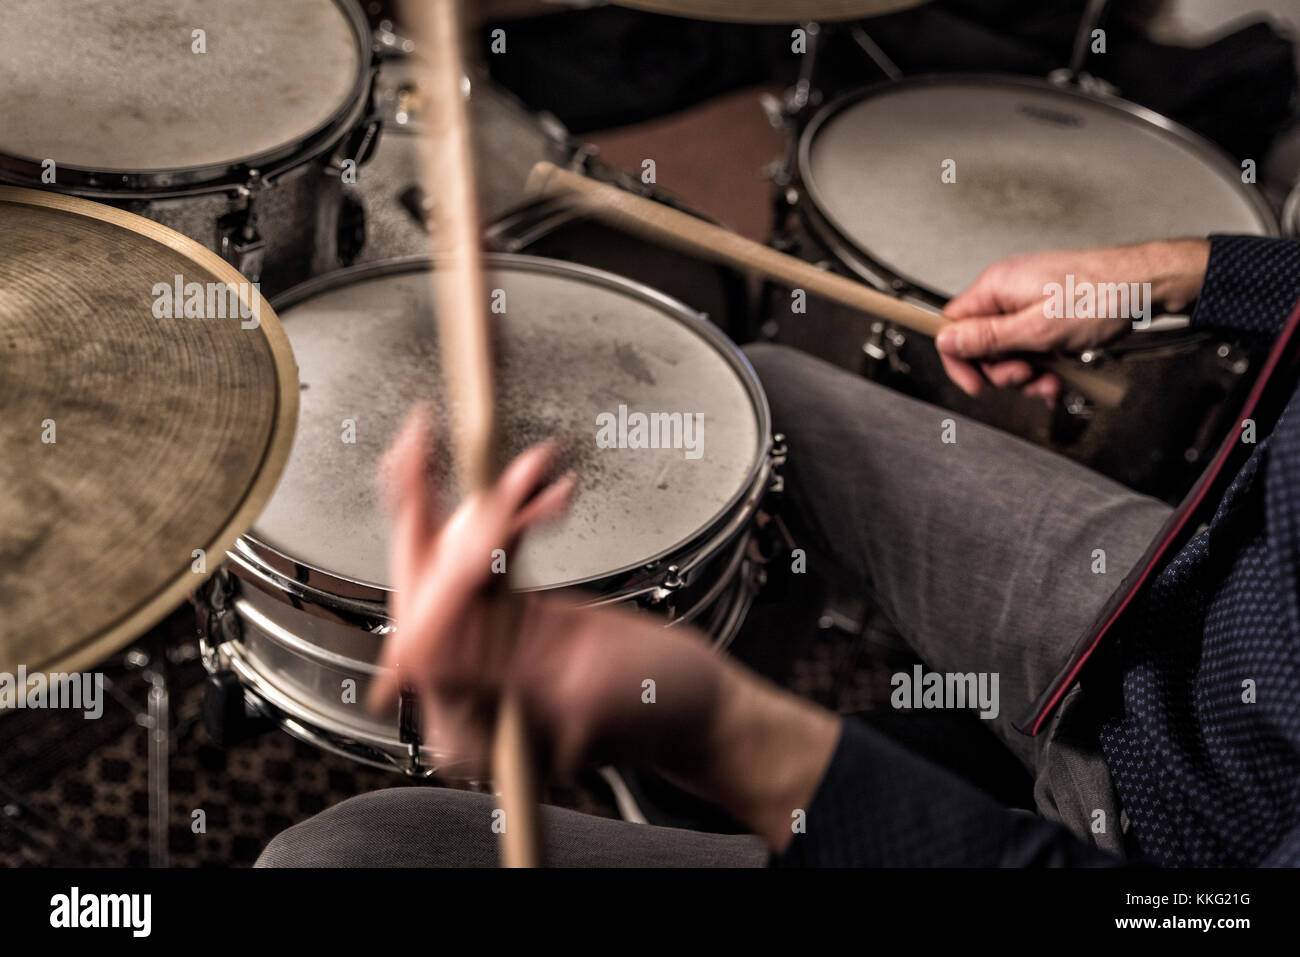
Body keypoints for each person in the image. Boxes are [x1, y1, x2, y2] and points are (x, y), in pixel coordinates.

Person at [257, 234, 1300, 868]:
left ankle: (723, 786)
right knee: (756, 409)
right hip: (1187, 608)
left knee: (345, 857)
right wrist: (1177, 274)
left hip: (1182, 855)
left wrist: (732, 736)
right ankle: (681, 804)